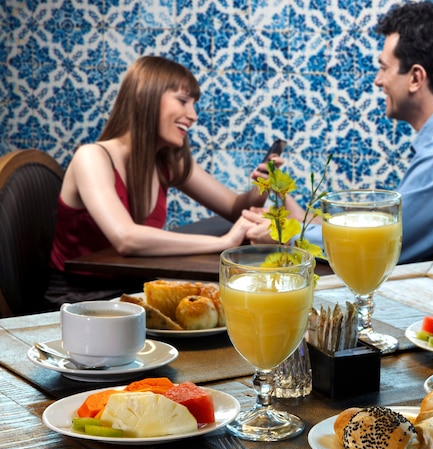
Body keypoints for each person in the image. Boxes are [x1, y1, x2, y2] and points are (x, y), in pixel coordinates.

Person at [245, 1, 433, 286]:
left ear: (415, 78)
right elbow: (381, 229)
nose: (377, 80)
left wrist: (285, 234)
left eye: (384, 68)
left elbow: (381, 247)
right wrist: (291, 215)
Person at [45, 55, 276, 308]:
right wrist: (225, 242)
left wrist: (261, 187)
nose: (193, 115)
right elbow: (126, 238)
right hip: (79, 299)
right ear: (145, 95)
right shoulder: (91, 157)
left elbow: (234, 207)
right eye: (183, 101)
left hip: (133, 293)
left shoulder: (166, 162)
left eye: (194, 104)